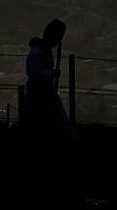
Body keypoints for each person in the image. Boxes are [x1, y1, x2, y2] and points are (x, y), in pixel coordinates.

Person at [24, 18, 76, 162]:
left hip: (46, 92)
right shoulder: (37, 53)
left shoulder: (41, 51)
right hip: (39, 93)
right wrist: (51, 74)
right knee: (41, 121)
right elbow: (33, 73)